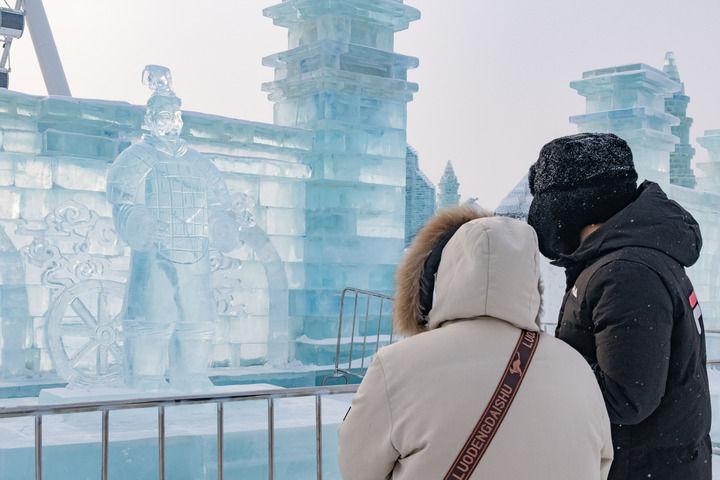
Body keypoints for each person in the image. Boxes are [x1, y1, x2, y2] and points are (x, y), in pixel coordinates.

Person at [338, 207, 613, 480]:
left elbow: (357, 467)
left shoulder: (396, 366)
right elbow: (600, 463)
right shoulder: (576, 369)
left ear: (444, 276)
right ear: (532, 282)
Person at [527, 132, 712, 480]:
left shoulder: (625, 273)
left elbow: (627, 397)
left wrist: (542, 363)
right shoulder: (630, 258)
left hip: (636, 468)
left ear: (569, 208)